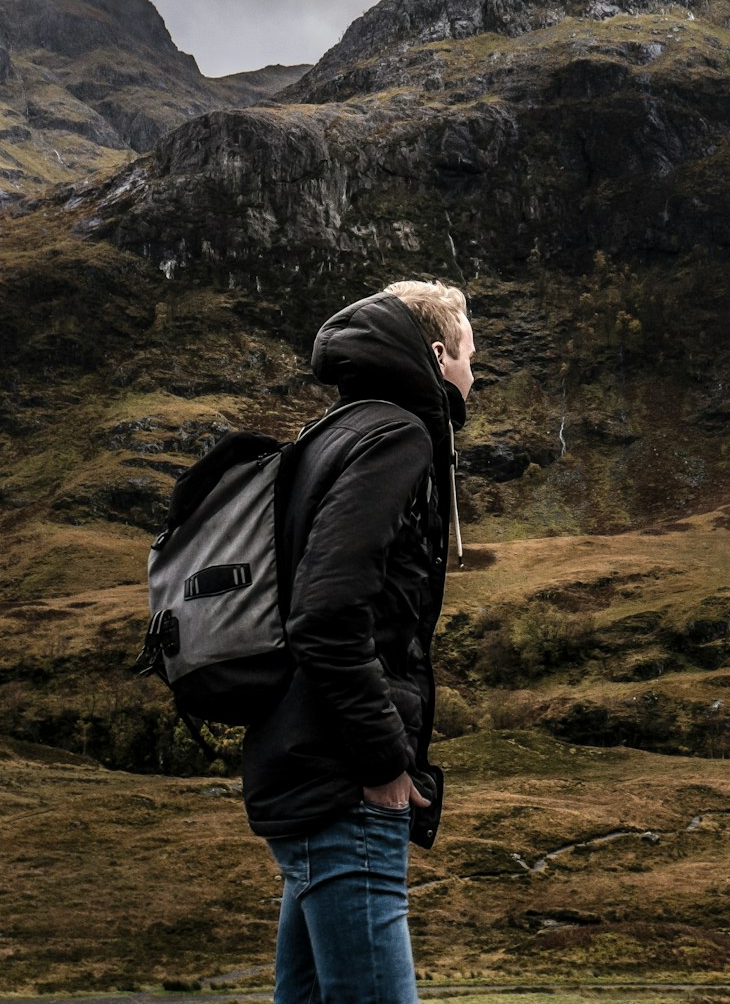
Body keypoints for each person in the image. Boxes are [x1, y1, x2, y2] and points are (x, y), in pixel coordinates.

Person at [243, 280, 475, 1004]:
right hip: (347, 781)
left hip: (304, 763)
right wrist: (384, 759)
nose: (476, 375)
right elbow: (326, 610)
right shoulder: (397, 436)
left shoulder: (333, 431)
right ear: (438, 355)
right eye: (471, 356)